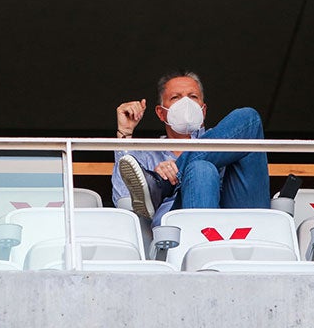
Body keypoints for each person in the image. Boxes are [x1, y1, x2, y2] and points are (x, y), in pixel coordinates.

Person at [112, 70, 270, 227]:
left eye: (193, 97)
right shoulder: (147, 153)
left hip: (240, 221)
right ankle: (201, 247)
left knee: (249, 118)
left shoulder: (224, 140)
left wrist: (173, 173)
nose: (186, 104)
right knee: (201, 169)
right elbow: (125, 201)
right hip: (179, 232)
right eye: (175, 97)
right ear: (161, 113)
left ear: (203, 110)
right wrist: (125, 134)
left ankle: (162, 184)